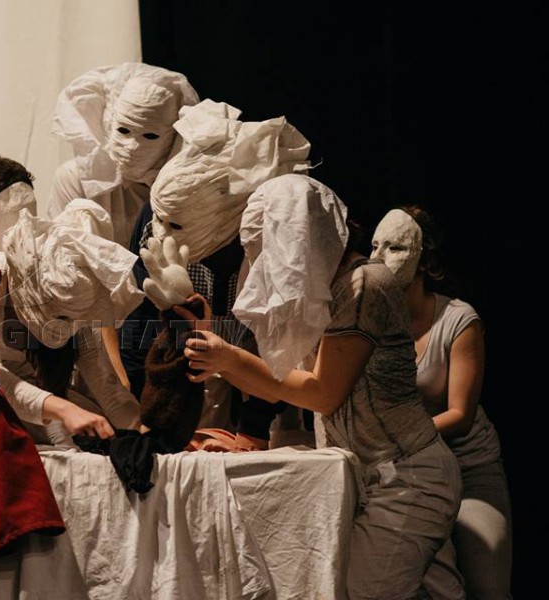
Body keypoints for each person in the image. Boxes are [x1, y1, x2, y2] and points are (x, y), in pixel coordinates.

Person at [182, 174, 463, 598]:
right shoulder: (324, 290)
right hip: (360, 473)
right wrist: (215, 352)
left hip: (406, 476)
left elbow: (322, 393)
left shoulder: (365, 284)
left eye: (273, 244)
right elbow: (278, 387)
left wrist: (230, 359)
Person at [122, 99, 311, 449]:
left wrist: (253, 429)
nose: (162, 234)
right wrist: (157, 414)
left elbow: (280, 341)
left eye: (175, 224)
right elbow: (140, 321)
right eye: (159, 219)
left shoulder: (268, 238)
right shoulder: (156, 217)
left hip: (263, 383)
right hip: (186, 375)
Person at [372, 206, 512, 599]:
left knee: (488, 588)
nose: (378, 258)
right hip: (405, 470)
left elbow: (460, 416)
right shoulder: (372, 320)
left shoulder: (458, 319)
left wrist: (389, 440)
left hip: (467, 465)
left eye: (394, 247)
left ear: (423, 259)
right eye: (374, 246)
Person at [0, 157, 130, 443]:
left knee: (111, 437)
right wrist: (61, 412)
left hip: (50, 398)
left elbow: (103, 377)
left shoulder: (56, 273)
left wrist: (142, 431)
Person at [47, 62, 199, 247]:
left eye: (150, 135)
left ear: (172, 137)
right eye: (124, 130)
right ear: (110, 123)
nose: (133, 147)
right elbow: (67, 253)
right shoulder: (75, 179)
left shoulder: (186, 189)